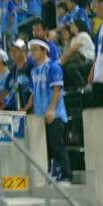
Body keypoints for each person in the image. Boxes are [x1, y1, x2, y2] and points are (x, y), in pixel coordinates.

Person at [30, 39, 72, 182]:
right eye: (31, 50)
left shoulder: (53, 67)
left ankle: (66, 174)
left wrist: (51, 109)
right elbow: (33, 93)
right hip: (40, 114)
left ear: (44, 50)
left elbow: (57, 89)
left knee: (57, 145)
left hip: (54, 114)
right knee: (46, 147)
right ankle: (52, 174)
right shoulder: (34, 71)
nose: (32, 53)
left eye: (35, 49)